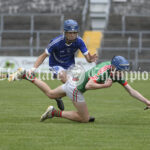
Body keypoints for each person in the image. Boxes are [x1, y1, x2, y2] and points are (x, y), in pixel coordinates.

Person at [8, 56, 150, 123]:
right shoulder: (103, 72)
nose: (122, 73)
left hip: (73, 82)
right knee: (84, 118)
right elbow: (89, 85)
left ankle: (27, 75)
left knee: (51, 94)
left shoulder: (114, 72)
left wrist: (147, 101)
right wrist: (104, 85)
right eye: (121, 70)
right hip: (76, 88)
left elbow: (131, 91)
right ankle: (53, 112)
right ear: (113, 67)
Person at [29, 19, 97, 111]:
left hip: (70, 66)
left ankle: (57, 96)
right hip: (55, 65)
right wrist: (33, 69)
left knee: (74, 86)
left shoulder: (79, 41)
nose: (72, 35)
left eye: (74, 32)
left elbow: (88, 59)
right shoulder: (56, 42)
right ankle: (80, 112)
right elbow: (43, 56)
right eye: (70, 33)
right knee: (64, 78)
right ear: (64, 32)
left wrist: (90, 59)